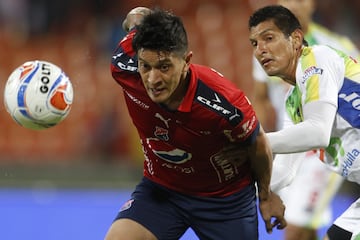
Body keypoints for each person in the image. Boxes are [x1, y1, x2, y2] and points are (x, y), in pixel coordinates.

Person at [105, 6, 286, 240]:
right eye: (145, 66)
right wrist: (136, 19)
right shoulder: (123, 68)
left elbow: (259, 142)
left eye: (164, 67)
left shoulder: (224, 104)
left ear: (186, 60)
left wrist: (266, 195)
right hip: (162, 192)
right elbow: (135, 18)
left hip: (225, 202)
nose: (152, 79)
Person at [248, 5, 360, 240]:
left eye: (269, 38)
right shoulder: (293, 101)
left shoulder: (318, 58)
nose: (260, 51)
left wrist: (253, 140)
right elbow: (285, 169)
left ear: (296, 39)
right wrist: (246, 192)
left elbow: (318, 133)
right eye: (255, 44)